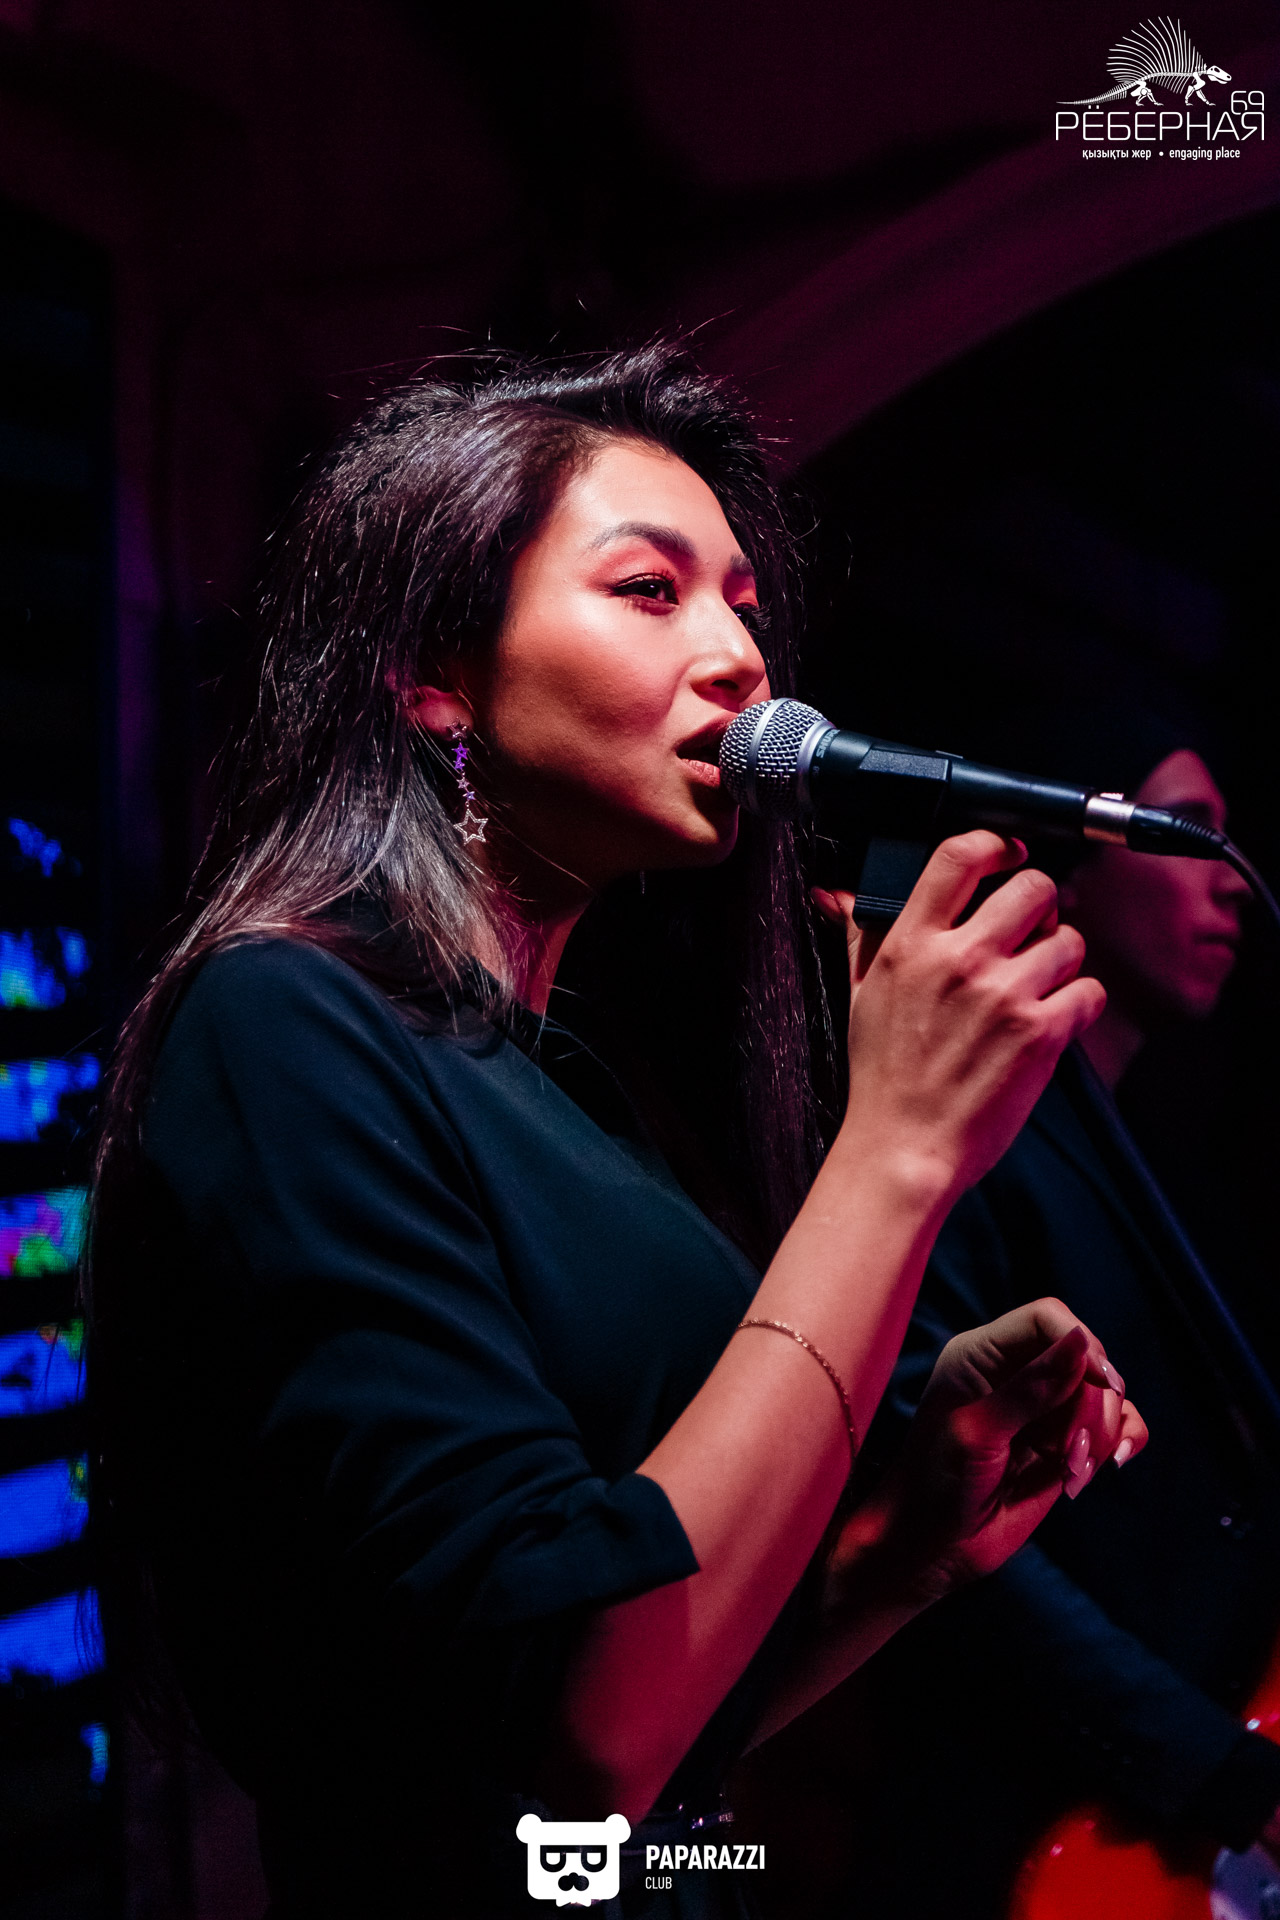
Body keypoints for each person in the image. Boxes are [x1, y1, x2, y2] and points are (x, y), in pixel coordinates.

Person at [86, 346, 1141, 1919]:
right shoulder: (278, 1020)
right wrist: (900, 1154)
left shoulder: (555, 1072)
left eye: (746, 608)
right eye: (651, 592)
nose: (741, 661)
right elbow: (569, 1747)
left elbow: (643, 1763)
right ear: (435, 674)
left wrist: (901, 1550)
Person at [835, 723, 1280, 1920]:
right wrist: (1216, 1768)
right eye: (1186, 832)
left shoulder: (1155, 1162)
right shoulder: (978, 1138)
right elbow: (936, 1504)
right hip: (996, 1826)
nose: (1230, 882)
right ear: (1067, 862)